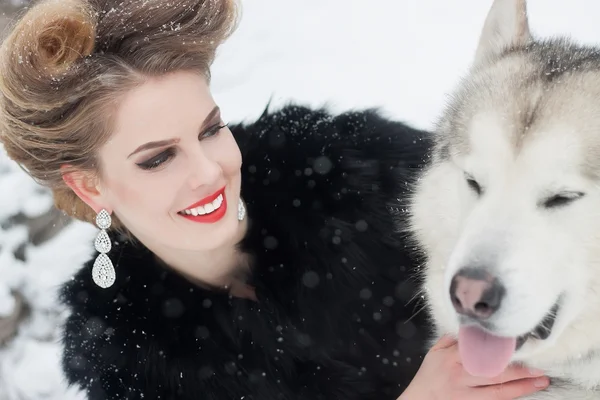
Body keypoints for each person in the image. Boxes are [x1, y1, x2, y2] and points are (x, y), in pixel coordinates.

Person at [0, 0, 550, 399]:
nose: (209, 171)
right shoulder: (129, 372)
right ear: (89, 185)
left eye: (211, 129)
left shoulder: (350, 168)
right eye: (158, 158)